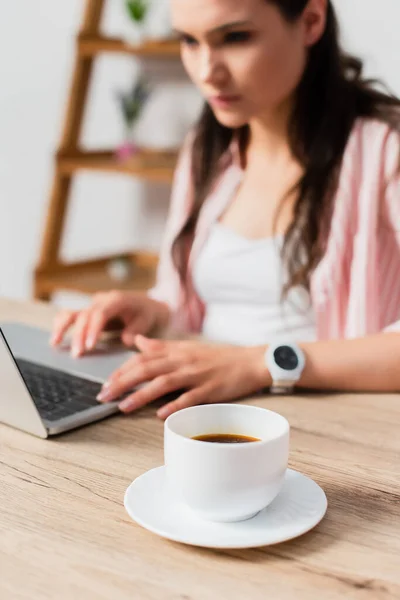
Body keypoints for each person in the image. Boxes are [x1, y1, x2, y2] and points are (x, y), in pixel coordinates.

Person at [51, 0, 400, 419]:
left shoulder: (384, 148)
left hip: (322, 427)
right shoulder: (208, 148)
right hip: (202, 411)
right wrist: (151, 311)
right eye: (189, 41)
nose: (206, 72)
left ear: (310, 21)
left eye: (235, 38)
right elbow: (193, 304)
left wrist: (261, 364)